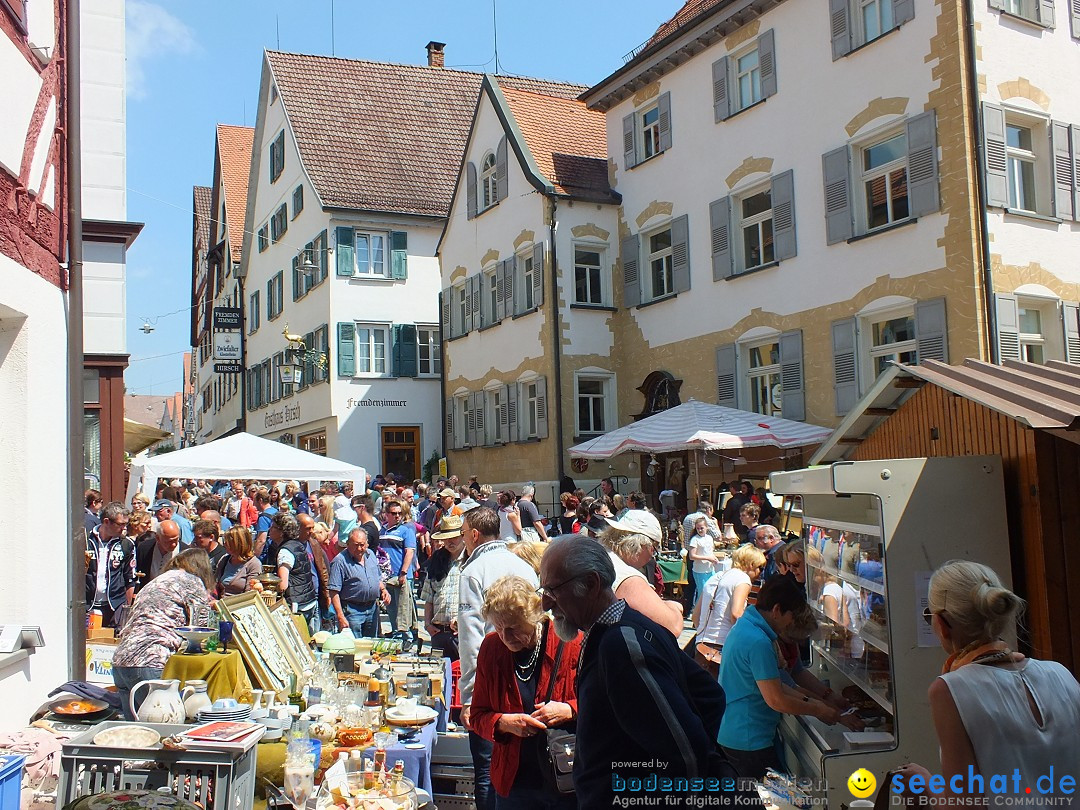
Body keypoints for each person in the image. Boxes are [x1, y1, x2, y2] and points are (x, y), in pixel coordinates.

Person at [538, 537, 727, 808]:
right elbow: (710, 696)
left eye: (553, 590)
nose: (546, 603)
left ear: (591, 584)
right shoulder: (623, 631)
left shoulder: (621, 645)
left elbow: (687, 752)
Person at [897, 561, 1080, 801]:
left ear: (942, 624)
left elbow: (964, 806)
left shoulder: (950, 690)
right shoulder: (1060, 673)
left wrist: (927, 783)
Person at [717, 576, 860, 778]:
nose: (790, 622)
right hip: (749, 739)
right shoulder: (758, 641)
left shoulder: (747, 628)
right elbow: (776, 699)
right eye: (790, 616)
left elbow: (780, 686)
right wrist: (818, 709)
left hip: (739, 733)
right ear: (777, 611)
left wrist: (823, 703)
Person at [471, 575, 580, 810]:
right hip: (514, 783)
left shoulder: (571, 642)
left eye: (513, 628)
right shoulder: (492, 648)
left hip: (566, 779)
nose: (506, 637)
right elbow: (477, 715)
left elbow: (603, 703)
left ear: (535, 616)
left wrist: (569, 709)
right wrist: (503, 723)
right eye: (498, 628)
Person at [458, 507, 540, 810]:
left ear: (475, 534)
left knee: (486, 768)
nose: (463, 539)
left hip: (492, 675)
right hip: (528, 671)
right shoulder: (522, 564)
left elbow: (471, 638)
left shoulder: (471, 571)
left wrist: (469, 696)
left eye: (464, 533)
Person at [112, 548, 215, 719]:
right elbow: (201, 626)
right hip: (151, 660)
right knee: (162, 728)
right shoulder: (192, 582)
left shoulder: (157, 581)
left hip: (122, 660)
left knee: (135, 733)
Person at [596, 511, 684, 636]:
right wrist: (674, 607)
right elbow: (673, 627)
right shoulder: (625, 575)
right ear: (642, 544)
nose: (651, 556)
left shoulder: (601, 555)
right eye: (654, 549)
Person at [693, 544, 766, 670]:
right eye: (760, 568)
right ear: (750, 564)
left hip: (701, 646)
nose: (760, 573)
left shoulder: (714, 577)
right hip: (722, 648)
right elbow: (736, 614)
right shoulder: (743, 579)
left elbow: (696, 616)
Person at [329, 527, 391, 638]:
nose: (359, 548)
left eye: (362, 545)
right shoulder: (339, 561)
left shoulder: (370, 555)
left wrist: (383, 590)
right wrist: (340, 616)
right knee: (355, 646)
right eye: (355, 545)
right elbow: (333, 591)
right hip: (352, 611)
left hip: (372, 608)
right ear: (348, 544)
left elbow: (377, 578)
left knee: (371, 645)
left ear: (367, 544)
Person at [421, 515, 467, 660]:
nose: (449, 542)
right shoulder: (436, 560)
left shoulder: (470, 561)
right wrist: (427, 624)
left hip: (461, 633)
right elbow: (429, 596)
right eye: (446, 538)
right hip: (438, 632)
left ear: (462, 536)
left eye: (453, 537)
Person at [85, 501, 137, 628]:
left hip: (114, 605)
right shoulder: (85, 540)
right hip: (87, 604)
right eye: (121, 524)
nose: (124, 528)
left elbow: (130, 578)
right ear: (107, 521)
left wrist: (127, 609)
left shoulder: (126, 544)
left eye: (126, 524)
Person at [380, 498, 418, 639]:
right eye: (393, 513)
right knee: (391, 608)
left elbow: (409, 552)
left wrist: (403, 572)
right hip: (387, 576)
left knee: (404, 609)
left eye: (399, 513)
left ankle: (407, 636)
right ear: (386, 514)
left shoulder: (405, 530)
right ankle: (396, 633)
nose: (397, 516)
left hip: (401, 576)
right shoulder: (381, 530)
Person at [276, 512, 319, 632]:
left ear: (281, 531)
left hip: (298, 606)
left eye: (273, 527)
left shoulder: (285, 552)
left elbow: (283, 585)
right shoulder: (298, 545)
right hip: (308, 601)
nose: (270, 530)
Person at [215, 526, 263, 596]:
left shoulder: (253, 564)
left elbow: (249, 594)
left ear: (238, 543)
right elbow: (215, 584)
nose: (224, 544)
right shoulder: (224, 559)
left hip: (238, 604)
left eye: (228, 542)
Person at [136, 519, 181, 591]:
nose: (173, 544)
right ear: (158, 538)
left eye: (176, 540)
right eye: (169, 541)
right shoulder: (145, 548)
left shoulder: (185, 552)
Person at [687, 516, 722, 603]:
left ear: (706, 527)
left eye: (702, 528)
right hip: (700, 571)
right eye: (698, 528)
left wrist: (713, 557)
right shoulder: (695, 540)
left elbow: (709, 552)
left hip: (710, 569)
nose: (700, 530)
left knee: (712, 591)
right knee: (702, 593)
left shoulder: (709, 538)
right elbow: (692, 556)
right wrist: (708, 558)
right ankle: (697, 613)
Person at [253, 488, 278, 560]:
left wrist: (254, 558)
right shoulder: (276, 511)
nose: (254, 504)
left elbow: (261, 541)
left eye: (254, 501)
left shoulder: (263, 518)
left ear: (260, 500)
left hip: (267, 555)